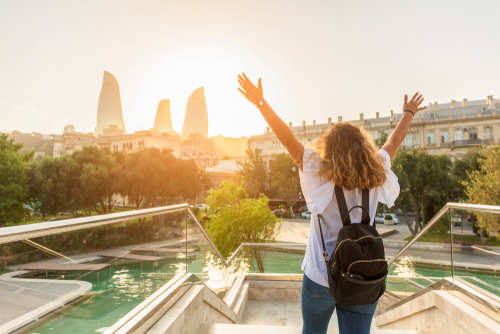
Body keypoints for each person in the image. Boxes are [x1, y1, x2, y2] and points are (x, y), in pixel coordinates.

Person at [237, 73, 426, 334]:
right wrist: (408, 112)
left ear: (329, 147)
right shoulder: (377, 169)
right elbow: (394, 142)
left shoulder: (318, 170)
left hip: (320, 277)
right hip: (362, 275)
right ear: (363, 146)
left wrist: (261, 104)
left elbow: (287, 138)